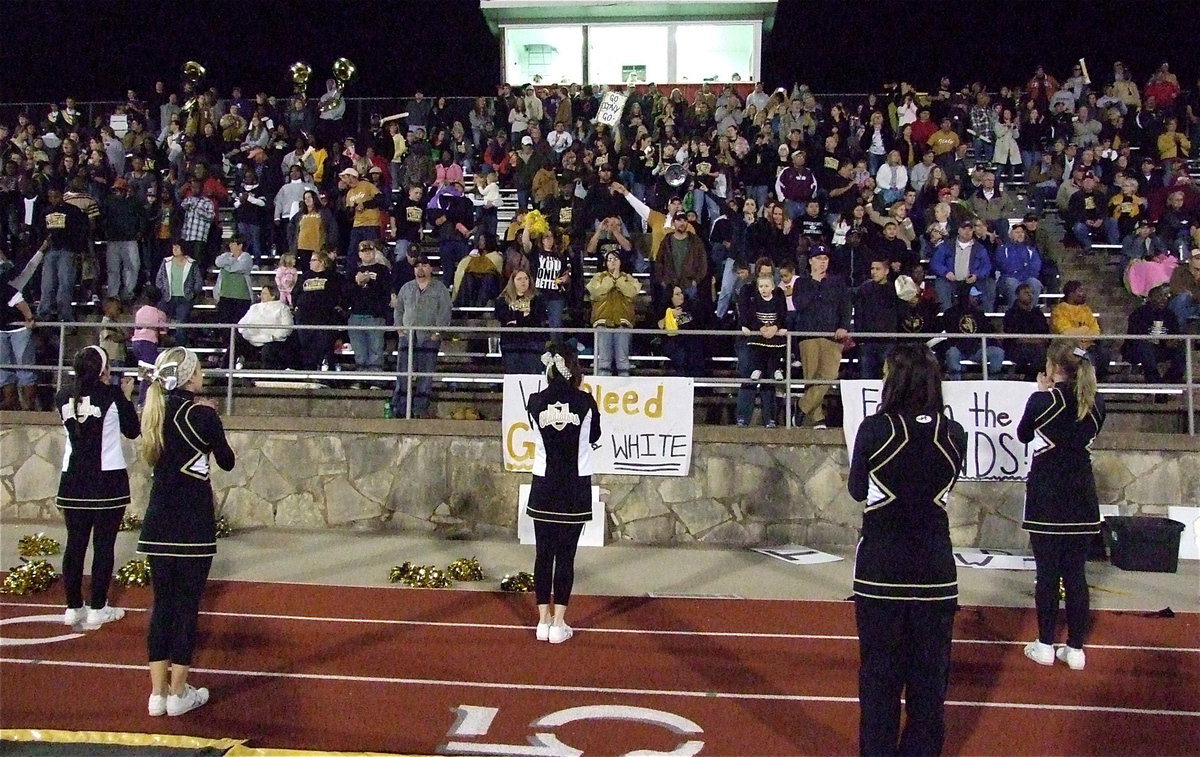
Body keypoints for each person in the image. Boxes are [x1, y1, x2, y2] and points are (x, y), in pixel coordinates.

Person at [848, 342, 967, 757]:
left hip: (881, 571)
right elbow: (946, 486)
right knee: (929, 685)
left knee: (879, 680)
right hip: (935, 571)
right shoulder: (954, 433)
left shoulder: (874, 428)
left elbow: (857, 489)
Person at [137, 347, 235, 716]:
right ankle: (179, 694)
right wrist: (213, 424)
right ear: (191, 376)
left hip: (159, 520)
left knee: (162, 604)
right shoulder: (201, 414)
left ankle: (157, 694)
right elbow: (227, 461)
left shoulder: (155, 412)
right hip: (192, 523)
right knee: (187, 606)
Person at [1018, 340, 1105, 671]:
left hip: (1047, 495)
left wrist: (1043, 391)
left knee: (1048, 574)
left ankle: (1045, 644)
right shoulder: (1097, 404)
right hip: (1082, 495)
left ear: (1054, 369)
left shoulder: (1043, 400)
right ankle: (1076, 649)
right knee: (1076, 575)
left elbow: (1024, 434)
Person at [55, 346, 139, 629]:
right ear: (103, 370)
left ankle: (73, 607)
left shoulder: (61, 395)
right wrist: (127, 397)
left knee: (75, 544)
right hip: (107, 480)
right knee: (103, 545)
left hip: (73, 480)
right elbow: (133, 430)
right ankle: (98, 607)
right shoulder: (112, 396)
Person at [524, 342, 601, 645]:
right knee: (565, 556)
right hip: (574, 487)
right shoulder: (586, 402)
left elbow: (536, 431)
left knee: (544, 554)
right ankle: (559, 622)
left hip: (543, 484)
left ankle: (542, 620)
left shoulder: (534, 400)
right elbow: (595, 436)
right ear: (574, 368)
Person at [392, 254, 451, 418]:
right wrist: (399, 329)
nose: (420, 268)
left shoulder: (440, 289)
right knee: (403, 373)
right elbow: (399, 309)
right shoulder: (406, 287)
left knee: (425, 375)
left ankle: (420, 409)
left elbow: (445, 311)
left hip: (428, 336)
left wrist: (437, 332)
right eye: (418, 265)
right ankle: (401, 408)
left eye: (424, 265)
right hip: (407, 335)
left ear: (430, 268)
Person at [586, 250, 641, 376]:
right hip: (602, 321)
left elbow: (632, 292)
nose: (613, 262)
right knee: (604, 360)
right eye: (609, 259)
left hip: (623, 322)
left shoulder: (628, 278)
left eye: (615, 259)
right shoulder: (599, 277)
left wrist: (619, 280)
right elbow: (595, 292)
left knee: (623, 360)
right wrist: (611, 280)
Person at [494, 269, 547, 375]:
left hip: (532, 344)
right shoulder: (502, 300)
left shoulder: (538, 299)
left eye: (526, 279)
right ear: (513, 282)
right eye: (519, 279)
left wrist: (516, 318)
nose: (523, 282)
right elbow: (503, 316)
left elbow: (537, 318)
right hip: (510, 344)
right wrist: (524, 315)